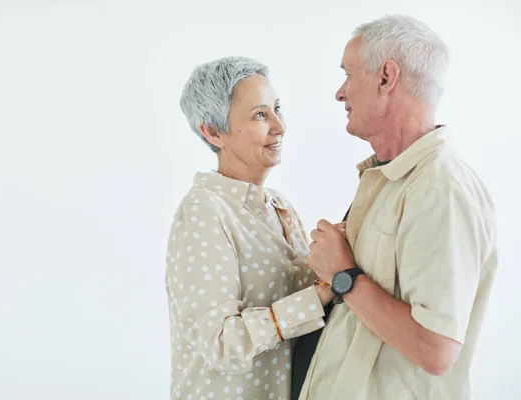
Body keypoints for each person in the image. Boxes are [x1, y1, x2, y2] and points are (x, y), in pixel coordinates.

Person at [293, 15, 498, 400]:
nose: (340, 93)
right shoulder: (392, 177)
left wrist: (344, 276)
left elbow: (435, 350)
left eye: (348, 75)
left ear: (386, 78)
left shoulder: (440, 190)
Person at [165, 56, 335, 400]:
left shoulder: (280, 206)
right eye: (260, 115)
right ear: (213, 132)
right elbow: (221, 344)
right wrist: (317, 296)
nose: (279, 126)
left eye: (277, 108)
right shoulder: (204, 210)